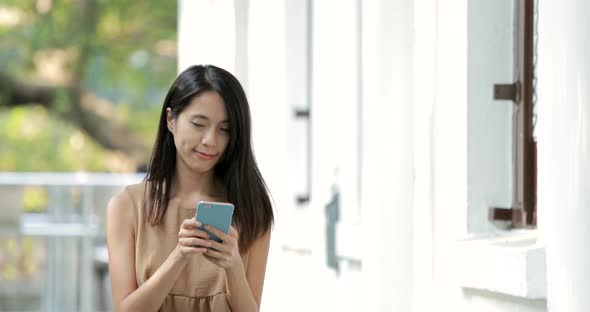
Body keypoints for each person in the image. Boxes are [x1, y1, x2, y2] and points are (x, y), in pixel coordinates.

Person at [106, 64, 274, 312]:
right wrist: (179, 256)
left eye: (225, 129)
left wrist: (233, 266)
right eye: (199, 124)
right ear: (171, 120)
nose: (210, 141)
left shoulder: (252, 209)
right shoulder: (127, 207)